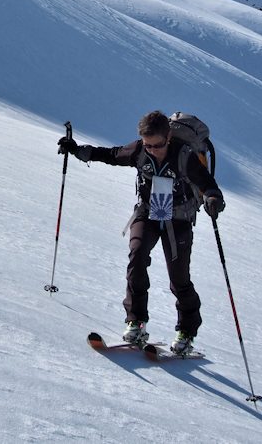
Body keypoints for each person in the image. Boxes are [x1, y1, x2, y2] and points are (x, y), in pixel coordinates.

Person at [58, 110, 225, 355]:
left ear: (168, 137)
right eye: (147, 145)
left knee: (179, 278)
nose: (152, 150)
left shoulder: (184, 156)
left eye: (157, 145)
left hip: (177, 219)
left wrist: (213, 198)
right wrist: (78, 149)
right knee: (136, 259)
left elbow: (207, 183)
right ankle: (135, 322)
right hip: (147, 213)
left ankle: (187, 332)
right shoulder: (139, 150)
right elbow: (113, 155)